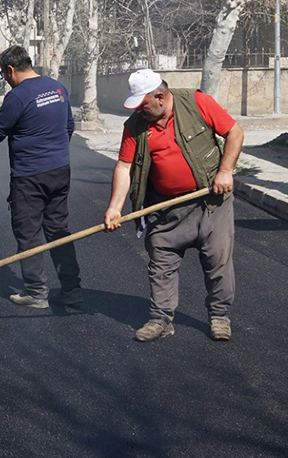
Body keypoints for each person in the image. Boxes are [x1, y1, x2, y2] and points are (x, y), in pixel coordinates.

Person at [103, 69, 244, 342]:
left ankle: (219, 316)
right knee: (160, 265)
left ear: (160, 96)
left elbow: (234, 132)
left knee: (217, 262)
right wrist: (114, 208)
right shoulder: (135, 126)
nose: (139, 111)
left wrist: (226, 171)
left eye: (143, 105)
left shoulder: (197, 103)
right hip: (164, 208)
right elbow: (124, 166)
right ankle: (161, 319)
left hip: (209, 204)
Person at [0, 45, 81, 308]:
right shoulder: (57, 88)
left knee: (28, 232)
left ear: (10, 70)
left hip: (29, 177)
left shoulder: (17, 96)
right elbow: (69, 127)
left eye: (3, 74)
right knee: (58, 230)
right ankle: (72, 289)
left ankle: (36, 292)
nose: (5, 79)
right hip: (60, 171)